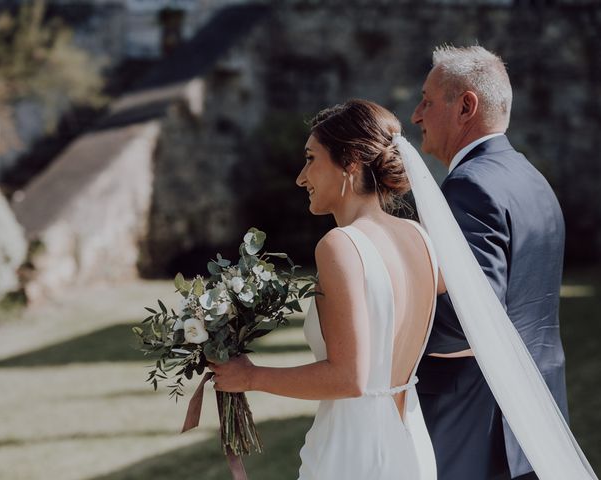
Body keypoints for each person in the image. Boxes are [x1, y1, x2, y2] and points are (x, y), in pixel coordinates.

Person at [211, 99, 441, 479]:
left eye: (311, 159)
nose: (302, 177)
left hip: (356, 452)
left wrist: (250, 377)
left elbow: (349, 379)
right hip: (411, 440)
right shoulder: (420, 237)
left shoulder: (341, 245)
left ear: (349, 162)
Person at [410, 45, 568, 480]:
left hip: (477, 422)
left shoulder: (469, 188)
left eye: (426, 99)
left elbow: (467, 318)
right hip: (536, 411)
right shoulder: (530, 178)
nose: (415, 115)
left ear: (466, 106)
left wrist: (388, 328)